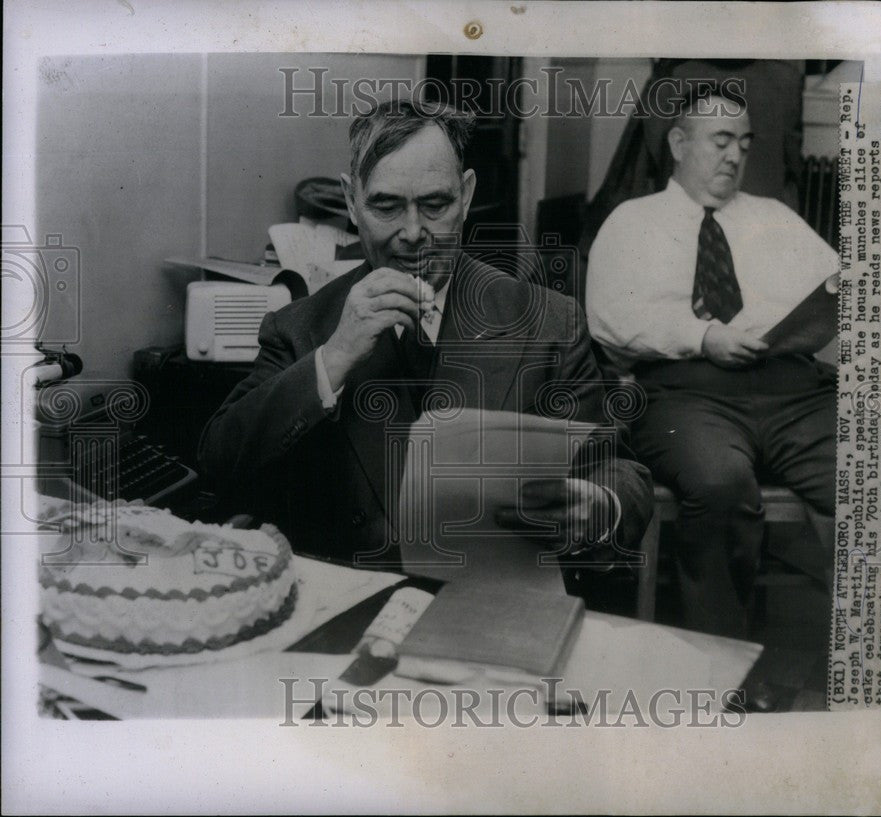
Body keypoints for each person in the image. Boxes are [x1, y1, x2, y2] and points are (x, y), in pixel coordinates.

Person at [200, 99, 652, 584]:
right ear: (351, 202)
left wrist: (599, 506)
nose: (412, 234)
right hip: (345, 612)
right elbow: (219, 465)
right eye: (386, 205)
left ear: (467, 195)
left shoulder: (547, 322)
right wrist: (332, 359)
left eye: (434, 205)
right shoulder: (299, 326)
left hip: (489, 609)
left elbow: (617, 470)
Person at [586, 86, 837, 641]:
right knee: (720, 485)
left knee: (880, 473)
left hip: (793, 393)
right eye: (721, 140)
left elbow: (834, 289)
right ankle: (723, 668)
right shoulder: (633, 221)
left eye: (744, 143)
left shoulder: (776, 217)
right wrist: (703, 336)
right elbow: (609, 317)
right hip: (685, 397)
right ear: (679, 143)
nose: (735, 156)